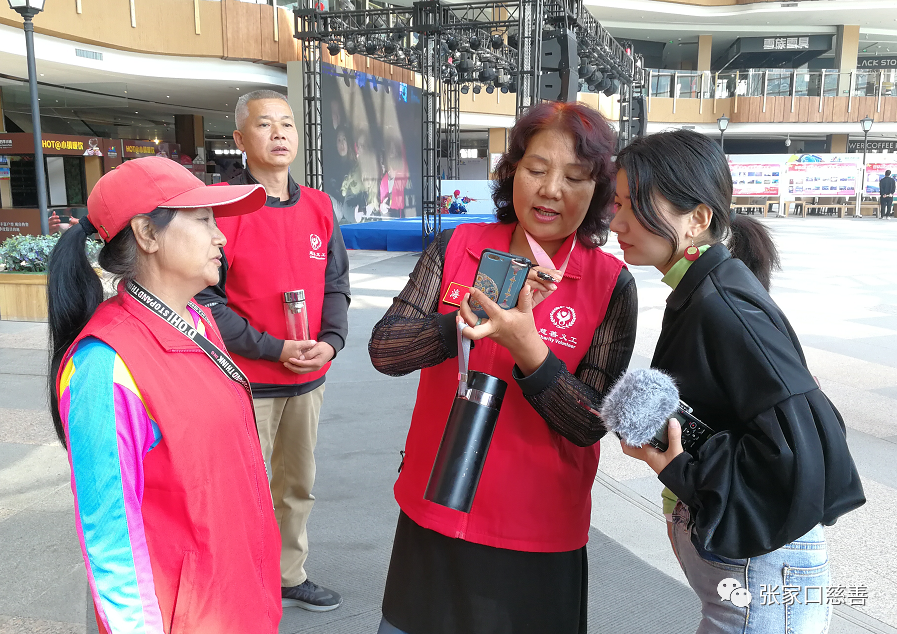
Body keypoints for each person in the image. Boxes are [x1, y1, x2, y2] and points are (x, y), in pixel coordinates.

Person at [368, 101, 637, 634]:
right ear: (512, 170)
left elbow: (590, 422)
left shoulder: (609, 282)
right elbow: (387, 350)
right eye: (536, 169)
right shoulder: (459, 246)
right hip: (436, 510)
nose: (551, 190)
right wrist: (460, 322)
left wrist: (528, 348)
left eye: (575, 177)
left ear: (598, 190)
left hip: (537, 530)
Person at [610, 129, 866, 634]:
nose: (617, 222)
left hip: (765, 568)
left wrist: (682, 469)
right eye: (616, 205)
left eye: (634, 206)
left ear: (698, 218)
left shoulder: (721, 305)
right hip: (746, 562)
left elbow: (802, 450)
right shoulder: (701, 289)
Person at [46, 156, 282, 634]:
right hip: (188, 616)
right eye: (203, 220)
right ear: (147, 234)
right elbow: (111, 542)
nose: (220, 237)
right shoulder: (105, 365)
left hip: (237, 594)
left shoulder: (198, 319)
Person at [196, 89, 350, 612]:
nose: (279, 133)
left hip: (307, 378)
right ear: (240, 139)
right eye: (265, 124)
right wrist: (273, 348)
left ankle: (288, 575)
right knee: (240, 489)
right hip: (245, 381)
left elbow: (336, 285)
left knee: (296, 486)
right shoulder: (218, 209)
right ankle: (236, 583)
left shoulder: (319, 207)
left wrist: (330, 344)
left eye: (287, 123)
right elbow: (207, 302)